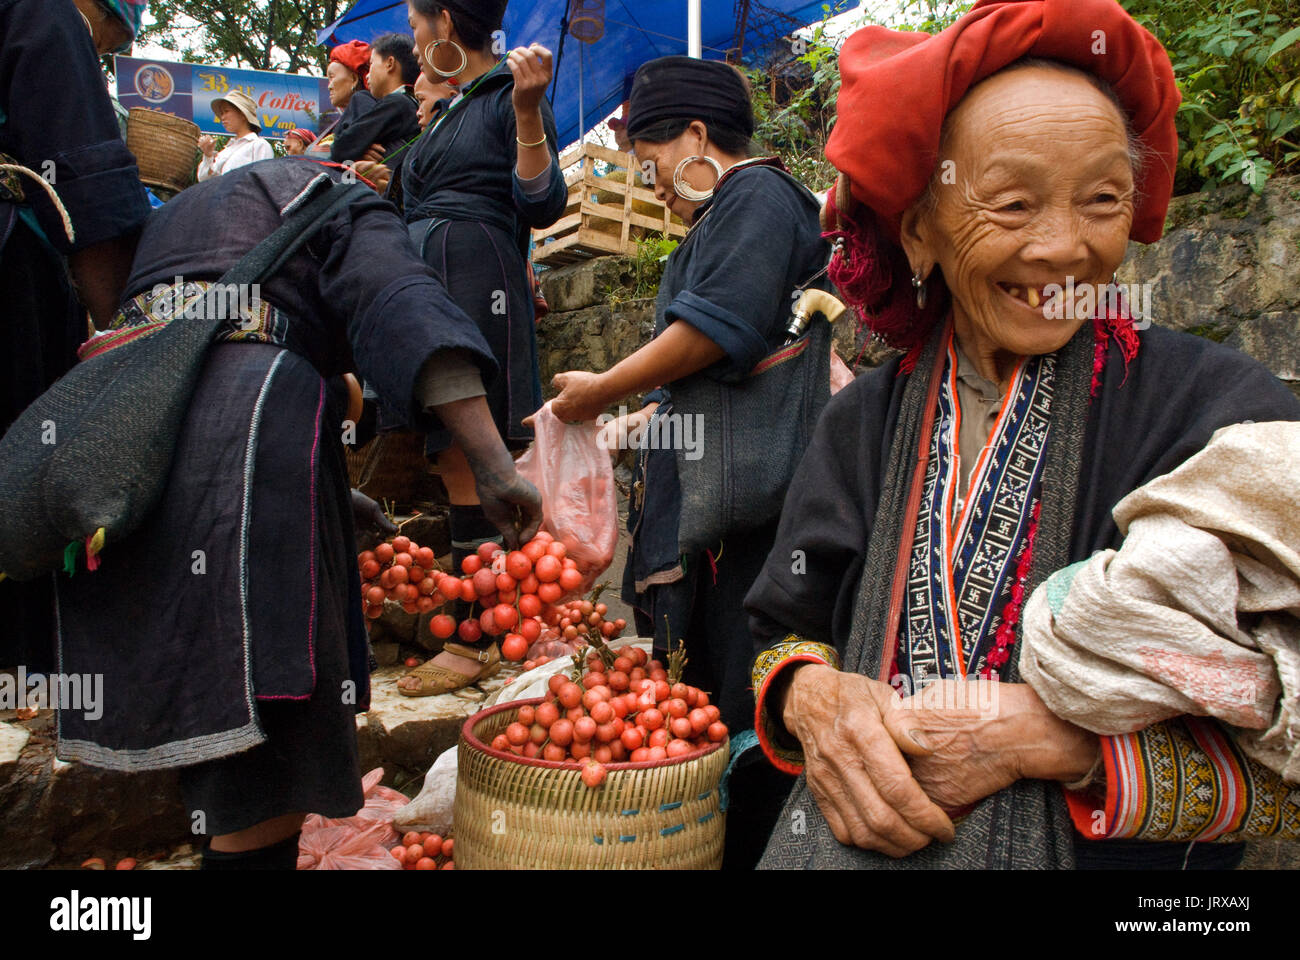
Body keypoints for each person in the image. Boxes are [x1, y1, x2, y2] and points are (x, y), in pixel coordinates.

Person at [745, 0, 1300, 871]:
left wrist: (1064, 743)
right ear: (920, 229)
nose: (1063, 247)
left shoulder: (1220, 415)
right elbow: (785, 626)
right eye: (1010, 203)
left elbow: (1286, 745)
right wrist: (811, 696)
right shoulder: (863, 421)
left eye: (1103, 199)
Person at [53, 156, 543, 870]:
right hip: (242, 442)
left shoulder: (185, 217)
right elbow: (396, 295)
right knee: (265, 752)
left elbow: (194, 361)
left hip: (124, 446)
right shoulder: (335, 193)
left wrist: (330, 494)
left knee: (212, 721)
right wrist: (494, 462)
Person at [544, 56, 830, 869]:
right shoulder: (726, 216)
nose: (655, 183)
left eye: (654, 160)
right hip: (723, 500)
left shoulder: (759, 195)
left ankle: (761, 850)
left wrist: (602, 388)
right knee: (703, 694)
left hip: (755, 515)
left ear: (699, 136)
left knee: (752, 696)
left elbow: (722, 331)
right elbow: (711, 376)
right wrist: (645, 420)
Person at [391, 0, 566, 696]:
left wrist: (528, 112)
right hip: (430, 280)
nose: (411, 39)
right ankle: (484, 624)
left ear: (441, 19)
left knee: (472, 448)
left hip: (473, 276)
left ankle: (478, 637)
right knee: (448, 447)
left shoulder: (508, 94)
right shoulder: (454, 108)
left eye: (413, 25)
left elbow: (544, 200)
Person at [1, 0, 151, 672]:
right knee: (22, 473)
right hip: (12, 283)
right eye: (109, 34)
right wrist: (135, 348)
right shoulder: (47, 14)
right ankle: (22, 673)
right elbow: (83, 187)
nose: (102, 49)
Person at [330, 33, 421, 171]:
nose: (367, 75)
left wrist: (356, 148)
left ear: (390, 64)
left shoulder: (398, 103)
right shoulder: (413, 103)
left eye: (371, 64)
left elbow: (339, 148)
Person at [307, 40, 373, 159]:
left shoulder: (364, 107)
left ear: (354, 79)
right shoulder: (349, 116)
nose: (329, 86)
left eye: (332, 77)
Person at [197, 90, 274, 180]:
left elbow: (264, 180)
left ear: (243, 114)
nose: (222, 117)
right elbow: (203, 179)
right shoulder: (226, 151)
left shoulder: (259, 145)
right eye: (221, 113)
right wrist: (208, 155)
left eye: (226, 111)